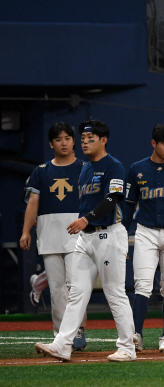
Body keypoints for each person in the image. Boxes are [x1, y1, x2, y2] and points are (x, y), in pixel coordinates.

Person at [35, 120, 136, 362]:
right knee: (76, 292)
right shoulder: (85, 169)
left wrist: (85, 219)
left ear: (104, 140)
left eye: (90, 138)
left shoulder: (114, 166)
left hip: (108, 234)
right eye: (83, 139)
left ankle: (127, 348)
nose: (85, 142)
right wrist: (84, 223)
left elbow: (113, 199)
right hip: (86, 237)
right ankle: (62, 344)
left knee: (115, 292)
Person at [21, 122, 87, 350]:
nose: (64, 142)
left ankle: (77, 329)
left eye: (68, 138)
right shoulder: (40, 171)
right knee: (58, 288)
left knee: (75, 286)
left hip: (78, 237)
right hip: (49, 237)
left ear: (73, 141)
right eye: (59, 139)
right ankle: (61, 336)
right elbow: (33, 203)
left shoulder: (84, 168)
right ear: (51, 144)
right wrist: (25, 231)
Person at [123, 124, 164, 354]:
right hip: (145, 231)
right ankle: (137, 334)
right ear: (153, 143)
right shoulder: (137, 169)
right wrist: (122, 238)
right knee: (142, 284)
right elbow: (127, 207)